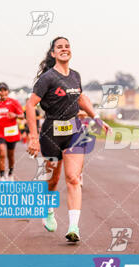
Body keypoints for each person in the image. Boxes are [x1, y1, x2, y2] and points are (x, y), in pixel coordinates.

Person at [26, 36, 110, 243]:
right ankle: (48, 212)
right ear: (53, 53)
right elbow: (29, 105)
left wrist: (96, 118)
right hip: (51, 133)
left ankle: (74, 227)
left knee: (73, 178)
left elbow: (80, 98)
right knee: (53, 180)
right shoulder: (47, 78)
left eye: (67, 46)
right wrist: (33, 137)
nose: (64, 49)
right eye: (59, 47)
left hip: (74, 131)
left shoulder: (75, 76)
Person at [0, 82, 24, 181]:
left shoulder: (14, 102)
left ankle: (10, 174)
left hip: (11, 132)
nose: (3, 92)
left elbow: (22, 115)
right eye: (1, 90)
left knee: (10, 155)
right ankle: (1, 176)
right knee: (2, 152)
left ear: (8, 91)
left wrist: (15, 115)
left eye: (5, 90)